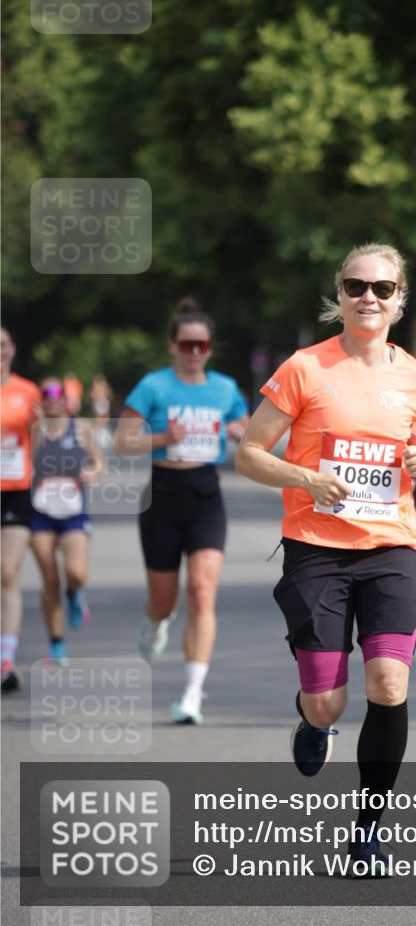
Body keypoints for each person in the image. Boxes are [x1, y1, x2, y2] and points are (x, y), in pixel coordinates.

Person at [236, 243, 416, 876]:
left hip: (392, 546)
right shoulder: (305, 368)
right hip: (317, 551)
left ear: (399, 300)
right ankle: (311, 721)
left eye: (382, 289)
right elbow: (249, 453)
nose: (369, 297)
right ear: (339, 294)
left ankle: (367, 832)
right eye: (356, 285)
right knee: (328, 705)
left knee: (389, 684)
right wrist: (304, 479)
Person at [115, 298, 249, 725]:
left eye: (202, 345)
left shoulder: (226, 389)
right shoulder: (153, 386)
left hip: (206, 493)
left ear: (210, 348)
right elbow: (121, 442)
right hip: (162, 496)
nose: (195, 352)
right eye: (187, 345)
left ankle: (192, 693)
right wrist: (161, 438)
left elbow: (248, 436)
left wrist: (239, 433)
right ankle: (156, 622)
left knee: (203, 591)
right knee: (164, 599)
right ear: (172, 346)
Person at [30, 377, 105, 662]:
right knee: (50, 579)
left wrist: (92, 472)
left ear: (65, 397)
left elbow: (99, 461)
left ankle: (75, 594)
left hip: (74, 511)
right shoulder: (33, 430)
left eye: (56, 392)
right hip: (40, 512)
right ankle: (56, 642)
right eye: (45, 393)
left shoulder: (81, 429)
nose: (51, 397)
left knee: (75, 572)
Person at [0, 327, 41, 692]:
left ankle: (6, 659)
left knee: (7, 571)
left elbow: (43, 439)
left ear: (12, 350)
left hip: (16, 491)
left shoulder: (28, 392)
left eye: (3, 345)